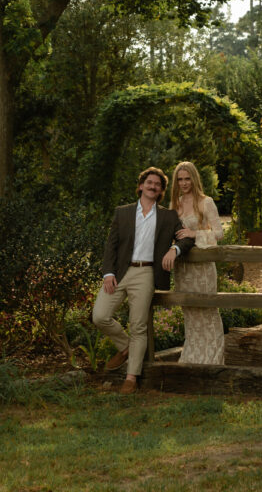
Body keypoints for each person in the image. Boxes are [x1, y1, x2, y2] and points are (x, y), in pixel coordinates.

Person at [92, 166, 194, 393]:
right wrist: (108, 273)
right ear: (140, 186)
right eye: (149, 182)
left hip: (146, 274)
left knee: (138, 326)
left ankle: (131, 378)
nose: (153, 186)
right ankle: (127, 347)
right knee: (100, 316)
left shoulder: (169, 216)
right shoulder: (123, 213)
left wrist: (174, 250)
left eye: (157, 184)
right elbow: (111, 245)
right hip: (120, 273)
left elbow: (186, 240)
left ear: (160, 191)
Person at [170, 160, 225, 364]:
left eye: (187, 179)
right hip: (182, 267)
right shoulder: (174, 204)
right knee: (189, 311)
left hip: (202, 268)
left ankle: (212, 359)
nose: (184, 183)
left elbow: (219, 233)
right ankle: (192, 358)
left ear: (194, 179)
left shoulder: (206, 201)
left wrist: (195, 233)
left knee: (207, 309)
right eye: (180, 179)